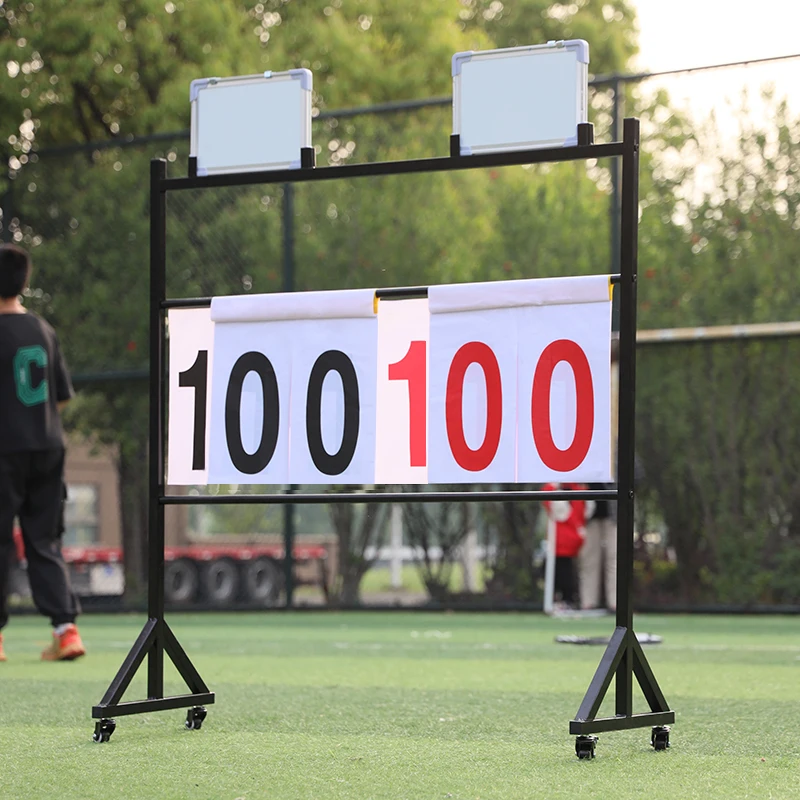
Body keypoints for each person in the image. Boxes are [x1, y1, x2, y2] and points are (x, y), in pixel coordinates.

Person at [0, 243, 84, 662]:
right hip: (48, 447)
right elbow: (62, 398)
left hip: (4, 448)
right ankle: (66, 631)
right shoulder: (43, 330)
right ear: (25, 282)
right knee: (44, 540)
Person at [542, 482, 591, 609]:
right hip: (568, 538)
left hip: (564, 540)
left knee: (564, 571)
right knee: (565, 570)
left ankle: (567, 599)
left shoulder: (574, 493)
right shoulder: (579, 492)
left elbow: (560, 512)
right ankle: (566, 599)